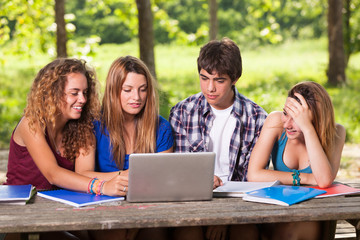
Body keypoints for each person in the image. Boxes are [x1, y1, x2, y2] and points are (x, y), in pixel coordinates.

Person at [4, 58, 125, 240]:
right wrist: (103, 186)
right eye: (74, 93)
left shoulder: (82, 126)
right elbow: (53, 174)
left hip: (62, 212)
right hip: (22, 217)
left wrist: (125, 176)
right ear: (52, 93)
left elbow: (84, 173)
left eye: (85, 92)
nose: (82, 99)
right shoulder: (31, 123)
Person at [169, 37, 267, 240]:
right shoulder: (182, 112)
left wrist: (225, 218)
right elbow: (178, 172)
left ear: (235, 79)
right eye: (204, 78)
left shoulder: (257, 117)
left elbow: (252, 182)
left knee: (246, 234)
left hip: (239, 204)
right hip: (191, 201)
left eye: (219, 80)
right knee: (189, 234)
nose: (210, 88)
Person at [76, 56, 174, 240]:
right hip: (103, 205)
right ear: (114, 91)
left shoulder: (162, 128)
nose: (136, 97)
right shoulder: (92, 124)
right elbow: (81, 173)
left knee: (155, 233)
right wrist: (123, 176)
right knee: (116, 233)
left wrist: (136, 226)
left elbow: (162, 181)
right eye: (127, 90)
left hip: (149, 208)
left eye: (142, 90)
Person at [247, 81, 346, 240]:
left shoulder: (336, 132)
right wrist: (306, 178)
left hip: (313, 212)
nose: (286, 124)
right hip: (279, 208)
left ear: (316, 118)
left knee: (292, 231)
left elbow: (324, 180)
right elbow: (253, 174)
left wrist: (307, 128)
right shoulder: (275, 121)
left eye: (296, 119)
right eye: (286, 113)